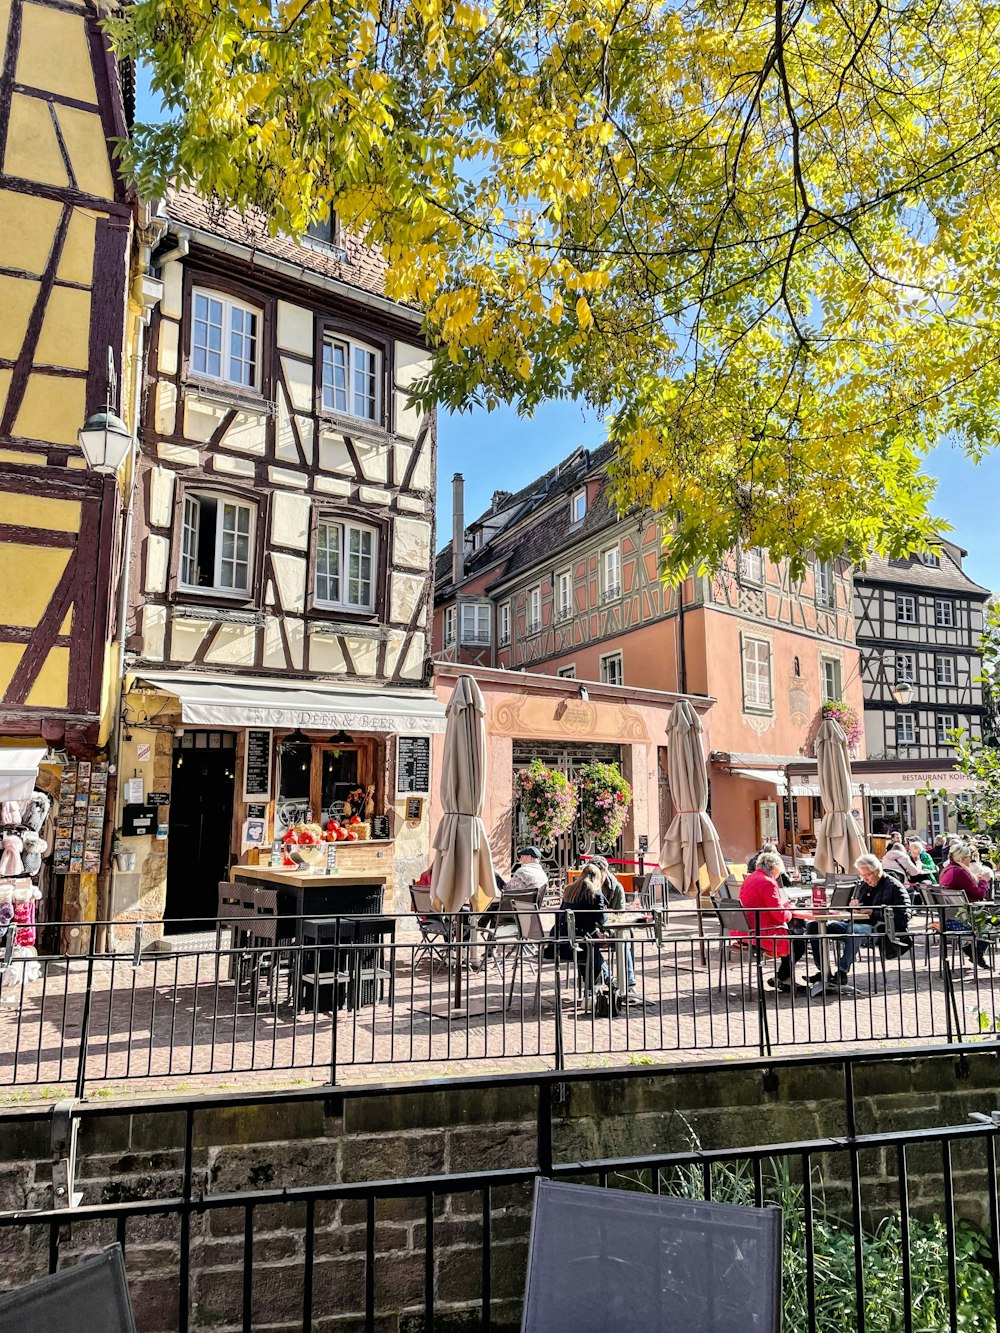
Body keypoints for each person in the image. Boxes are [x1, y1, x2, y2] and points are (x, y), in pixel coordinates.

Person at [816, 854, 911, 987]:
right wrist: (854, 906)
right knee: (815, 926)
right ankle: (823, 970)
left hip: (880, 929)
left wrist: (874, 913)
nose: (865, 879)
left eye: (867, 875)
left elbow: (904, 915)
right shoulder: (865, 885)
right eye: (862, 876)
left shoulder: (895, 886)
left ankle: (842, 972)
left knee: (854, 931)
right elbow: (859, 906)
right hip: (857, 923)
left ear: (877, 870)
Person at [737, 851, 808, 992]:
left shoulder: (751, 878)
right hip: (760, 932)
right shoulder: (768, 882)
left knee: (792, 937)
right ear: (774, 869)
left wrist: (784, 907)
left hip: (744, 930)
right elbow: (780, 915)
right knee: (798, 942)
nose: (778, 875)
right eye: (778, 872)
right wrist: (789, 910)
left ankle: (783, 979)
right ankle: (782, 977)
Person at [588, 855, 638, 997]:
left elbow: (619, 915)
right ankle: (608, 982)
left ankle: (629, 984)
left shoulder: (616, 888)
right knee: (589, 946)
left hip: (611, 930)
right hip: (592, 931)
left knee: (623, 943)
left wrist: (607, 930)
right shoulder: (587, 886)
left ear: (605, 872)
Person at [555, 863, 609, 989]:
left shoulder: (569, 890)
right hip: (581, 943)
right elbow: (602, 919)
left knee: (592, 950)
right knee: (609, 944)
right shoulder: (595, 894)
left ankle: (597, 986)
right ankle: (608, 983)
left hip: (562, 940)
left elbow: (562, 913)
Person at [939, 843, 992, 967]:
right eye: (969, 856)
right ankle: (975, 950)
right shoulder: (959, 871)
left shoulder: (947, 869)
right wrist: (983, 881)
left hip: (947, 919)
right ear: (963, 859)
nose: (971, 859)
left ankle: (972, 949)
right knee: (994, 921)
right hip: (962, 921)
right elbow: (979, 894)